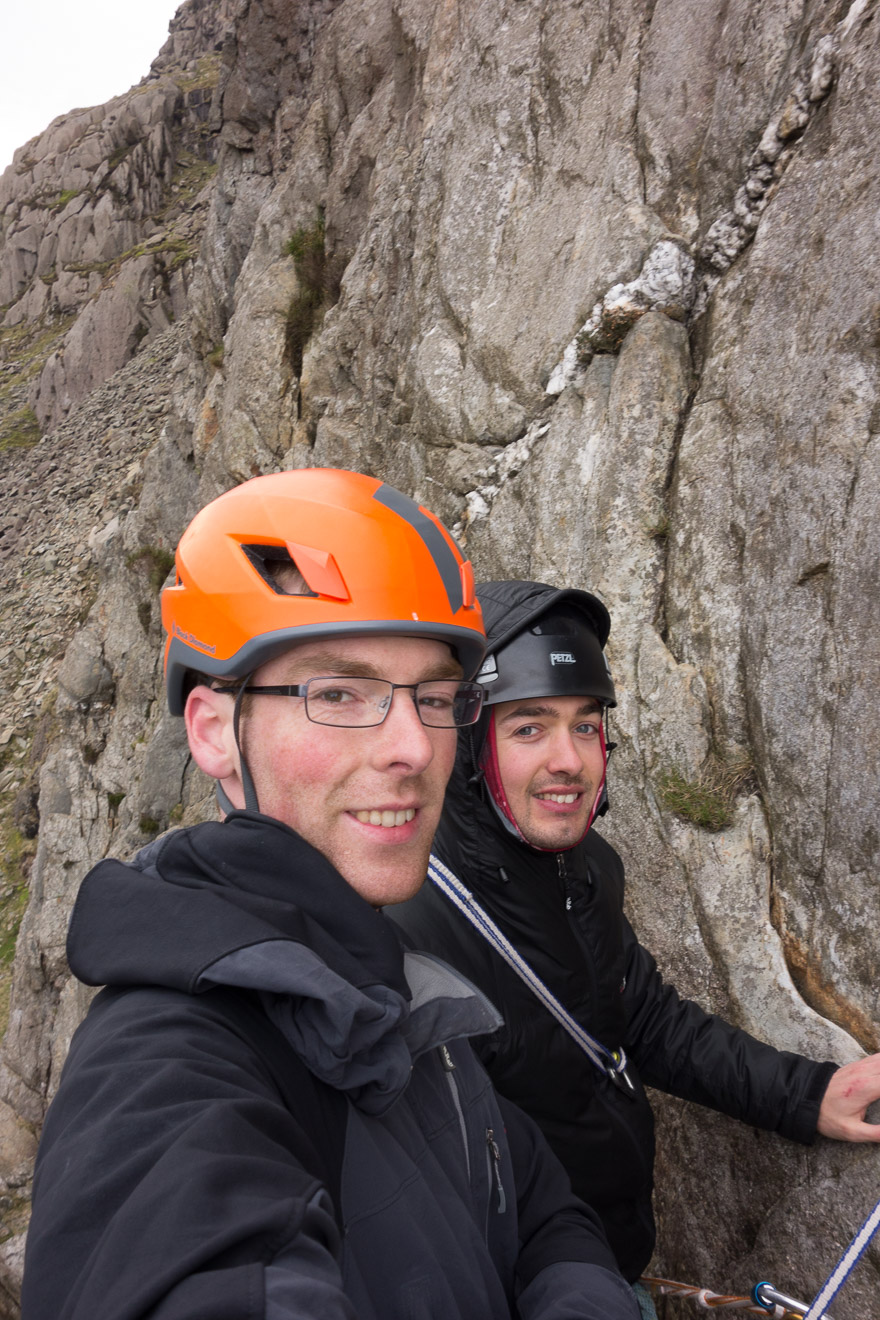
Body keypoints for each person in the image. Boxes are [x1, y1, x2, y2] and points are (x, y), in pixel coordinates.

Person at [21, 475, 642, 1320]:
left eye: (432, 698)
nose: (411, 748)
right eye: (338, 693)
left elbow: (543, 1211)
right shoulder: (161, 1075)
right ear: (212, 731)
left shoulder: (393, 989)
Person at [391, 579, 880, 1316]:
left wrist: (807, 1095)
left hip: (610, 1255)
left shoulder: (581, 870)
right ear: (467, 747)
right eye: (529, 728)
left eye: (586, 725)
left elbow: (644, 1020)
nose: (570, 760)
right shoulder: (412, 928)